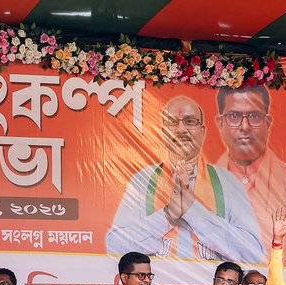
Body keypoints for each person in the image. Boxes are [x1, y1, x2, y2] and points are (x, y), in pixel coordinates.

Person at [106, 95, 263, 263]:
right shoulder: (143, 181)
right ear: (163, 133)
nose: (181, 130)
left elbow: (253, 254)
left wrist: (193, 211)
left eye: (189, 122)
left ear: (202, 132)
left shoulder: (227, 183)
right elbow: (114, 247)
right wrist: (168, 215)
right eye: (173, 122)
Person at [215, 86, 286, 267]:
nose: (244, 127)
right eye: (234, 116)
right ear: (220, 123)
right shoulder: (205, 182)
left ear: (268, 123)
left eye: (254, 116)